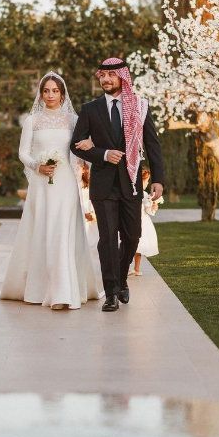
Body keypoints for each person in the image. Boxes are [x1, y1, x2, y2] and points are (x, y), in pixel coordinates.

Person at [0, 72, 103, 310]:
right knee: (44, 231)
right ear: (41, 93)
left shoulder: (73, 120)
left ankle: (64, 291)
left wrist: (87, 167)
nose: (50, 95)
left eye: (55, 91)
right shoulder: (32, 120)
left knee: (63, 232)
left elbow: (80, 149)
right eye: (46, 90)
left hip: (66, 183)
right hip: (41, 184)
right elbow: (23, 152)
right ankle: (41, 289)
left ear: (62, 93)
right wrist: (38, 165)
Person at [70, 57, 164, 312]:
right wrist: (102, 153)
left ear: (122, 77)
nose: (105, 80)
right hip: (102, 184)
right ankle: (111, 292)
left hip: (131, 183)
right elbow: (75, 143)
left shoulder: (140, 107)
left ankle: (121, 278)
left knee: (133, 236)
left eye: (110, 76)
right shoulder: (90, 109)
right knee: (108, 239)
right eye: (102, 76)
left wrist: (158, 179)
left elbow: (153, 145)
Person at [129, 167, 160, 276]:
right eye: (146, 181)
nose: (147, 183)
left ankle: (136, 268)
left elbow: (149, 211)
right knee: (129, 245)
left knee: (139, 246)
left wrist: (153, 207)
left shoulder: (146, 195)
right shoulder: (132, 192)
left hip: (143, 222)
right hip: (131, 221)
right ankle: (126, 266)